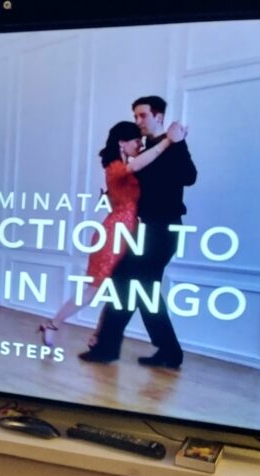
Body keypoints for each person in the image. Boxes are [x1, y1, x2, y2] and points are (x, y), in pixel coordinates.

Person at [79, 95, 197, 367]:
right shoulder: (143, 149)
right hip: (142, 229)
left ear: (159, 116)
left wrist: (176, 142)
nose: (138, 121)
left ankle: (151, 349)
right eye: (135, 116)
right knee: (128, 284)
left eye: (142, 116)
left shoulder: (173, 143)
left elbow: (189, 176)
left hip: (163, 229)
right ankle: (115, 346)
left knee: (141, 288)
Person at [39, 121, 178, 347]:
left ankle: (98, 337)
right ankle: (52, 324)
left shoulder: (126, 165)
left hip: (129, 232)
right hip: (115, 234)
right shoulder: (114, 167)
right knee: (94, 289)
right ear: (122, 143)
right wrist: (167, 141)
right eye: (136, 141)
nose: (139, 145)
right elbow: (136, 167)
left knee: (118, 289)